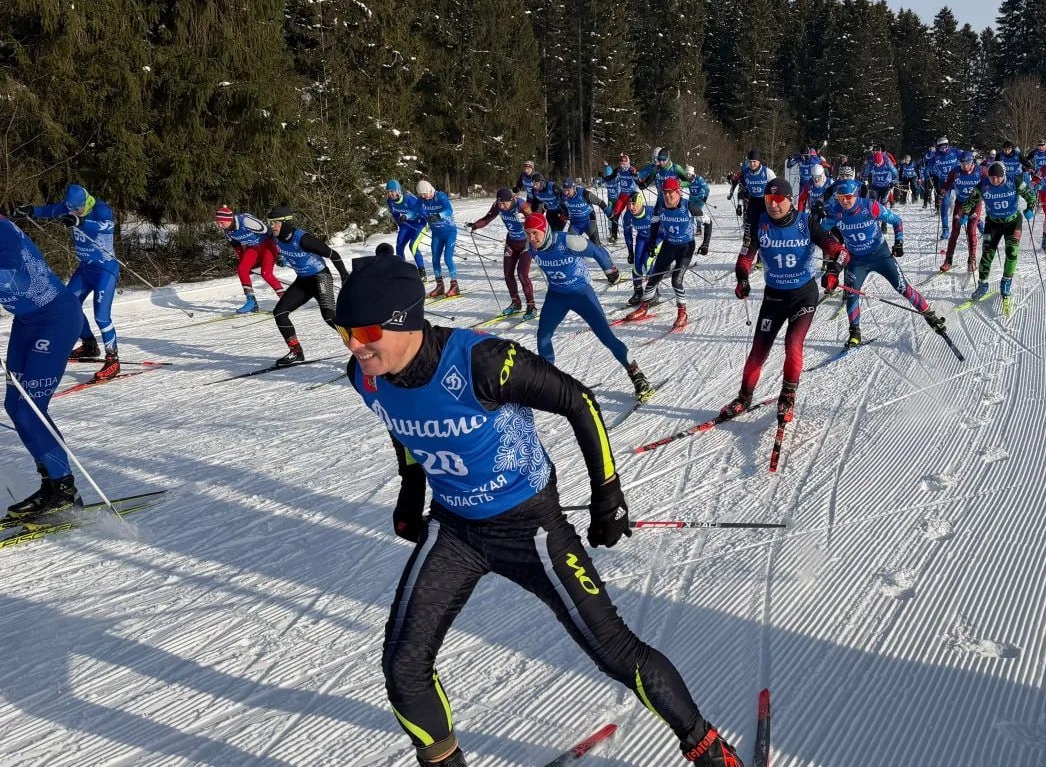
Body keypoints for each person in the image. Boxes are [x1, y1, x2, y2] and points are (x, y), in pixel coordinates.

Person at [335, 250, 743, 767]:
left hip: (530, 527)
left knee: (614, 651)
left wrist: (608, 494)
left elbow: (580, 401)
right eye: (343, 330)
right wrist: (411, 487)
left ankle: (708, 748)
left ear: (404, 320)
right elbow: (401, 423)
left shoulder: (481, 362)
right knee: (403, 669)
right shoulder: (364, 374)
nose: (353, 344)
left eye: (366, 331)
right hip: (455, 530)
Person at [719, 178, 827, 426]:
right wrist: (742, 278)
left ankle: (787, 397)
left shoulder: (805, 221)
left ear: (790, 199)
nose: (774, 205)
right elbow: (745, 258)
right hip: (774, 296)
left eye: (779, 200)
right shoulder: (760, 223)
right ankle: (743, 397)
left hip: (803, 296)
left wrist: (833, 270)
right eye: (769, 200)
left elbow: (836, 248)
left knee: (793, 344)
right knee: (758, 351)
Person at [1, 216, 84, 518]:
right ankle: (51, 484)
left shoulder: (2, 229)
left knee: (30, 407)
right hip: (27, 323)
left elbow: (9, 261)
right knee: (15, 405)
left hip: (55, 321)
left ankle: (64, 489)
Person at [525, 212, 653, 400]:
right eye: (527, 233)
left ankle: (637, 375)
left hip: (581, 294)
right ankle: (548, 378)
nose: (532, 238)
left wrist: (611, 270)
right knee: (543, 335)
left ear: (545, 229)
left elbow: (595, 250)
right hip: (556, 296)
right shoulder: (532, 248)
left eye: (535, 233)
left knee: (607, 337)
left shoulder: (567, 241)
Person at [822, 179, 946, 348]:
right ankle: (855, 332)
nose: (844, 201)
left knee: (903, 287)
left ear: (856, 195)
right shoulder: (835, 212)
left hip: (880, 254)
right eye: (840, 197)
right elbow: (819, 231)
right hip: (856, 259)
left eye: (848, 196)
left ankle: (930, 316)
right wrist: (817, 216)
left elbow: (897, 221)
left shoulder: (870, 206)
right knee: (852, 295)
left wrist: (899, 242)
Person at [18, 184, 122, 382]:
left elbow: (106, 226)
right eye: (71, 209)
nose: (73, 212)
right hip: (85, 269)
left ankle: (113, 360)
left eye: (77, 209)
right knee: (69, 305)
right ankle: (90, 345)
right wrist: (30, 210)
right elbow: (50, 210)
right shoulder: (70, 208)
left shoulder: (100, 209)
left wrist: (79, 221)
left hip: (105, 269)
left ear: (85, 202)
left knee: (101, 316)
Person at [267, 205, 348, 366]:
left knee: (330, 318)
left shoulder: (303, 239)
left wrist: (345, 277)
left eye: (275, 223)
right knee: (280, 312)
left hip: (320, 277)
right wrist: (280, 258)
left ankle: (362, 345)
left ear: (285, 223)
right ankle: (296, 352)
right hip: (303, 280)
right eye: (270, 222)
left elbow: (334, 255)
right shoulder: (276, 237)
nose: (272, 226)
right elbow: (280, 248)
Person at [960, 161, 1036, 316]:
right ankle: (982, 285)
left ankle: (1006, 282)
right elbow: (970, 201)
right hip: (993, 223)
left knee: (1011, 251)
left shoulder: (1014, 181)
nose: (995, 180)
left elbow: (1030, 195)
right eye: (992, 177)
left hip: (1013, 222)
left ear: (1004, 176)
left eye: (998, 177)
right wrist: (965, 213)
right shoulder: (983, 185)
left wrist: (1029, 208)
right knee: (987, 254)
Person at [629, 177, 695, 330]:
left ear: (678, 192)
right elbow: (654, 224)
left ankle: (682, 313)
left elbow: (707, 222)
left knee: (676, 280)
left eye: (670, 192)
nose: (667, 196)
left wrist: (705, 244)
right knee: (654, 277)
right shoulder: (660, 206)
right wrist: (652, 243)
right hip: (668, 245)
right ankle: (644, 307)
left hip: (686, 247)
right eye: (665, 192)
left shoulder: (688, 206)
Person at [468, 188, 536, 319]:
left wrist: (525, 221)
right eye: (500, 203)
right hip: (511, 242)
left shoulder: (522, 205)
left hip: (526, 244)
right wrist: (474, 226)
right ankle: (516, 303)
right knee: (508, 274)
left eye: (504, 203)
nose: (502, 206)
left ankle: (531, 305)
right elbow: (487, 218)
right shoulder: (497, 205)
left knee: (522, 273)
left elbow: (535, 221)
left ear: (511, 200)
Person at [214, 206, 285, 314]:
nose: (219, 226)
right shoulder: (227, 231)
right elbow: (236, 246)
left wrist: (280, 253)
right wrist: (245, 262)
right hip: (253, 248)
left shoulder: (246, 221)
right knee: (242, 269)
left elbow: (271, 233)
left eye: (221, 222)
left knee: (266, 273)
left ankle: (285, 300)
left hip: (268, 246)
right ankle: (251, 303)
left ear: (229, 220)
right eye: (218, 223)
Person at [940, 151, 985, 273]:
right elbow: (948, 182)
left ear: (972, 163)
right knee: (955, 231)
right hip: (960, 203)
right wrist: (944, 189)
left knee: (971, 230)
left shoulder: (980, 171)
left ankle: (972, 259)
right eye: (963, 163)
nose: (965, 166)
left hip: (975, 204)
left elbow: (989, 182)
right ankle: (948, 260)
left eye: (968, 163)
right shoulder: (955, 171)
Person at [417, 181, 460, 298]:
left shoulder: (440, 196)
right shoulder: (422, 200)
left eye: (425, 194)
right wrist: (405, 216)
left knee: (447, 258)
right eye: (422, 195)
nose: (424, 197)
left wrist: (438, 215)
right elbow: (414, 211)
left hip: (449, 232)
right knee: (435, 259)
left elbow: (449, 210)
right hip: (436, 234)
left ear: (430, 190)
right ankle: (440, 285)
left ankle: (455, 285)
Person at [730, 150, 776, 258]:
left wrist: (776, 201)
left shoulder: (767, 172)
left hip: (765, 203)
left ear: (759, 161)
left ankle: (762, 257)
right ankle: (749, 255)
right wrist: (740, 204)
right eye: (750, 161)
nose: (752, 164)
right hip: (753, 202)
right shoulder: (745, 172)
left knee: (764, 230)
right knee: (750, 231)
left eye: (754, 161)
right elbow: (741, 189)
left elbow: (777, 185)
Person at [385, 180, 430, 279]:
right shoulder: (390, 201)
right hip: (407, 224)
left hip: (419, 224)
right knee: (399, 246)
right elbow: (395, 214)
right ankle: (403, 271)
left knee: (413, 246)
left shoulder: (409, 199)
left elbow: (423, 211)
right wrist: (399, 223)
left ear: (398, 190)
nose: (389, 194)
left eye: (392, 191)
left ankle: (422, 273)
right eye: (387, 192)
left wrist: (431, 224)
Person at [623, 194, 658, 306]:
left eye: (634, 204)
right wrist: (630, 252)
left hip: (657, 238)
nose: (631, 207)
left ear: (640, 203)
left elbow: (663, 226)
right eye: (629, 204)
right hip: (642, 238)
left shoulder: (651, 211)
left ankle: (654, 291)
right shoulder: (628, 216)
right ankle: (638, 292)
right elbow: (627, 233)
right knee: (636, 263)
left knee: (647, 262)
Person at [560, 177, 610, 246]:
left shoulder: (584, 194)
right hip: (575, 224)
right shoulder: (562, 197)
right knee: (569, 244)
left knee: (596, 246)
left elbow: (600, 202)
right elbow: (564, 208)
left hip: (589, 222)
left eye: (568, 190)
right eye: (564, 190)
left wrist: (608, 212)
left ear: (573, 188)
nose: (566, 193)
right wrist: (565, 215)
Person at [928, 138, 959, 238]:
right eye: (941, 147)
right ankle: (945, 230)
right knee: (944, 205)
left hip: (957, 181)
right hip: (945, 183)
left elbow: (967, 156)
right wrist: (926, 173)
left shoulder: (955, 151)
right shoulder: (936, 156)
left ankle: (979, 224)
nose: (943, 149)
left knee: (966, 201)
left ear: (948, 144)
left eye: (945, 146)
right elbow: (929, 165)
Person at [688, 170, 713, 255]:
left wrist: (705, 197)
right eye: (686, 174)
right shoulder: (687, 180)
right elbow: (681, 184)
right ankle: (690, 229)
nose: (688, 176)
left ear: (692, 174)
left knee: (697, 212)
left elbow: (707, 189)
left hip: (699, 198)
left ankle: (699, 228)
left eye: (689, 174)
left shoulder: (699, 179)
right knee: (689, 213)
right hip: (692, 198)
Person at [601, 165, 622, 243]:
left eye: (609, 175)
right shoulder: (606, 179)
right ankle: (610, 231)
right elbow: (601, 181)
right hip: (610, 200)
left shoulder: (616, 179)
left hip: (617, 200)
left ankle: (616, 231)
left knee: (616, 216)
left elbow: (620, 176)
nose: (608, 177)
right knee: (609, 215)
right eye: (606, 175)